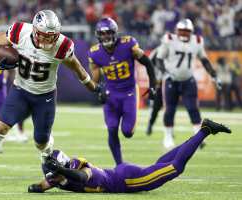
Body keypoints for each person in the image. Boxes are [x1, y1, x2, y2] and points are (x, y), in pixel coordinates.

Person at [0, 10, 104, 193]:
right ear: (35, 31)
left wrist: (93, 86)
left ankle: (47, 156)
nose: (48, 40)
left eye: (51, 36)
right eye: (44, 35)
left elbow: (77, 68)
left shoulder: (62, 45)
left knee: (41, 142)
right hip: (20, 91)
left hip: (44, 97)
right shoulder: (20, 31)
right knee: (0, 128)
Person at [28, 119, 231, 193]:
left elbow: (80, 177)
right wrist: (38, 185)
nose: (53, 179)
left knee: (174, 168)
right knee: (162, 164)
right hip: (122, 174)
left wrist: (60, 171)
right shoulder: (60, 177)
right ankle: (200, 133)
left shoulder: (81, 170)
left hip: (128, 181)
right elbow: (41, 186)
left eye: (55, 175)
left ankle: (204, 130)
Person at [88, 17, 156, 165]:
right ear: (98, 35)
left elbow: (148, 63)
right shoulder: (95, 53)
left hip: (129, 92)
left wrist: (153, 86)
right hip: (111, 94)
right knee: (112, 128)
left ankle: (127, 135)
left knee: (127, 132)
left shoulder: (128, 44)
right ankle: (119, 165)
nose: (105, 36)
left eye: (108, 33)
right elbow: (95, 80)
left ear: (115, 33)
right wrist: (98, 91)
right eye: (102, 33)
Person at [156, 18, 221, 149]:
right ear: (176, 31)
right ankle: (168, 136)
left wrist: (213, 75)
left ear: (191, 32)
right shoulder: (169, 39)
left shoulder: (197, 41)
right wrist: (165, 73)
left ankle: (198, 137)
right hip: (171, 80)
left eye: (187, 31)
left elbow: (204, 60)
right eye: (182, 31)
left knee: (193, 108)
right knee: (170, 109)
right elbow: (159, 59)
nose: (184, 34)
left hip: (188, 80)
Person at [146, 47, 163, 136]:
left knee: (171, 107)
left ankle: (169, 131)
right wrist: (154, 79)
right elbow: (149, 65)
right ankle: (150, 124)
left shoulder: (174, 48)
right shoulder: (157, 51)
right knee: (156, 107)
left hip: (170, 81)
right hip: (159, 83)